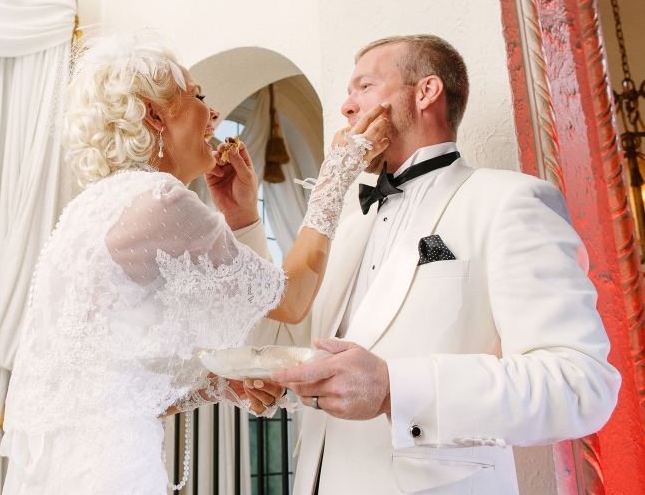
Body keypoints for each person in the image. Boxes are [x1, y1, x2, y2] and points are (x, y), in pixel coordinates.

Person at [0, 32, 389, 495]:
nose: (215, 114)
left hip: (67, 470)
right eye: (199, 97)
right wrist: (337, 173)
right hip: (115, 472)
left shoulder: (87, 210)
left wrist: (220, 384)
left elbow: (94, 390)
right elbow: (294, 298)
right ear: (154, 114)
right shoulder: (160, 198)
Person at [240, 35, 621, 495]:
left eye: (365, 86)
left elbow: (580, 384)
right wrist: (245, 224)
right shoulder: (346, 226)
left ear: (426, 92)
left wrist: (394, 388)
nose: (346, 106)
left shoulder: (509, 202)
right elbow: (287, 342)